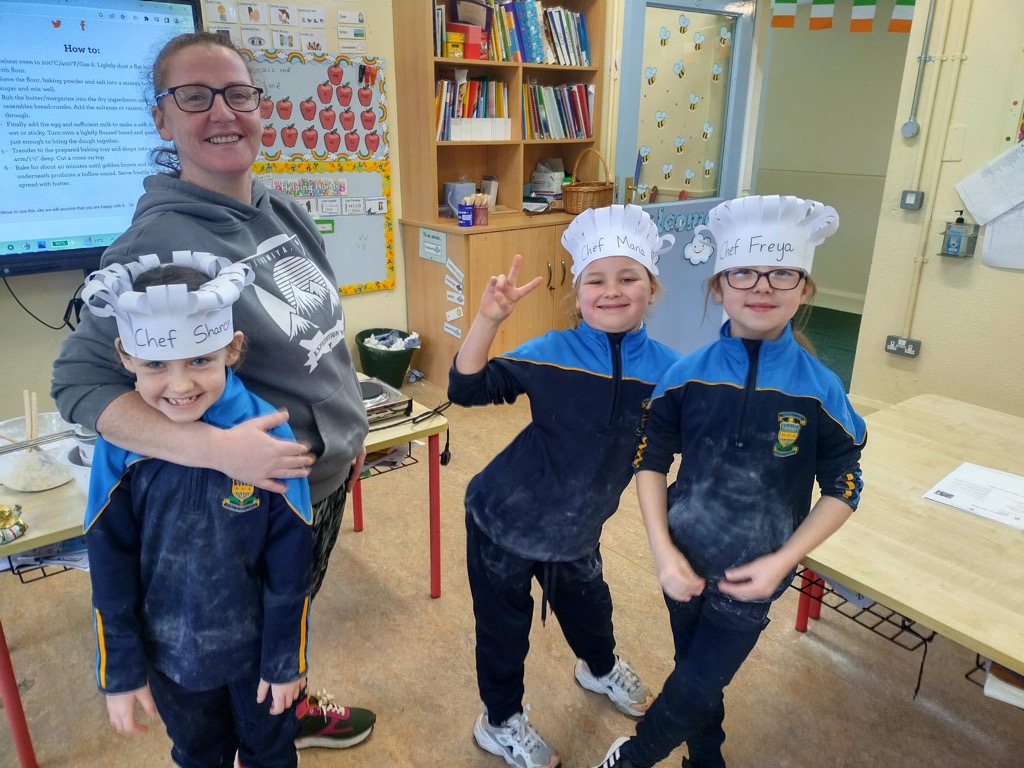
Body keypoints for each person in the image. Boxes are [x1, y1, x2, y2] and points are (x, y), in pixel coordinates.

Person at [51, 32, 374, 749]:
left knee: (288, 619)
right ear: (161, 119)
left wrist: (348, 428)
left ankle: (286, 701)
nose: (222, 112)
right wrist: (216, 451)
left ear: (259, 107)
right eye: (194, 97)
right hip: (252, 499)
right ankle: (266, 729)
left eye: (238, 94)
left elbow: (317, 337)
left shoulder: (280, 208)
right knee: (249, 645)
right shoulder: (155, 244)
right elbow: (77, 382)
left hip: (315, 481)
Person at [593, 195, 867, 768]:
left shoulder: (820, 389)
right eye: (743, 272)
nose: (761, 286)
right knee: (696, 672)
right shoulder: (684, 377)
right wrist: (663, 552)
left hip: (757, 573)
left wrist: (784, 560)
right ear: (719, 287)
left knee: (696, 683)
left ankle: (634, 758)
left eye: (782, 273)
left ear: (804, 289)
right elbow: (650, 460)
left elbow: (844, 486)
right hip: (684, 561)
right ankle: (706, 759)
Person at [448, 204, 683, 768]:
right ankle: (500, 722)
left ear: (652, 289)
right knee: (504, 632)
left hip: (578, 529)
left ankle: (599, 669)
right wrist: (487, 320)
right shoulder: (551, 352)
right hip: (503, 521)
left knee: (591, 609)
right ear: (577, 294)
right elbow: (466, 388)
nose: (612, 291)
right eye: (595, 280)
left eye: (628, 278)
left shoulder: (672, 371)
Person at [83, 254, 312, 768]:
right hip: (170, 658)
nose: (181, 385)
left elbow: (292, 563)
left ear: (232, 348)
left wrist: (285, 660)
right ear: (125, 355)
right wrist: (120, 668)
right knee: (198, 754)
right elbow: (109, 562)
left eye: (200, 360)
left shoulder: (269, 435)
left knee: (271, 751)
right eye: (156, 365)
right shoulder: (120, 446)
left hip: (256, 655)